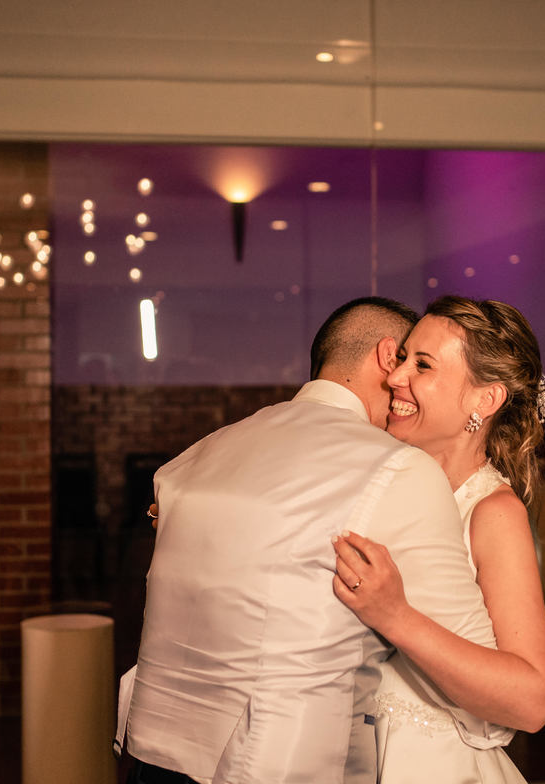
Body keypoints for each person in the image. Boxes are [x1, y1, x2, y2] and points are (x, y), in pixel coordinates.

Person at [123, 296, 502, 784]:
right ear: (388, 357)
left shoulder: (194, 458)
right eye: (408, 359)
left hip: (148, 755)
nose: (405, 381)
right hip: (274, 767)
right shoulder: (395, 469)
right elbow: (489, 698)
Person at [333, 296, 545, 783]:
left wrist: (395, 616)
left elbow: (533, 700)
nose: (396, 377)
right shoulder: (380, 483)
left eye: (422, 365)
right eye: (401, 358)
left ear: (485, 400)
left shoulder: (492, 512)